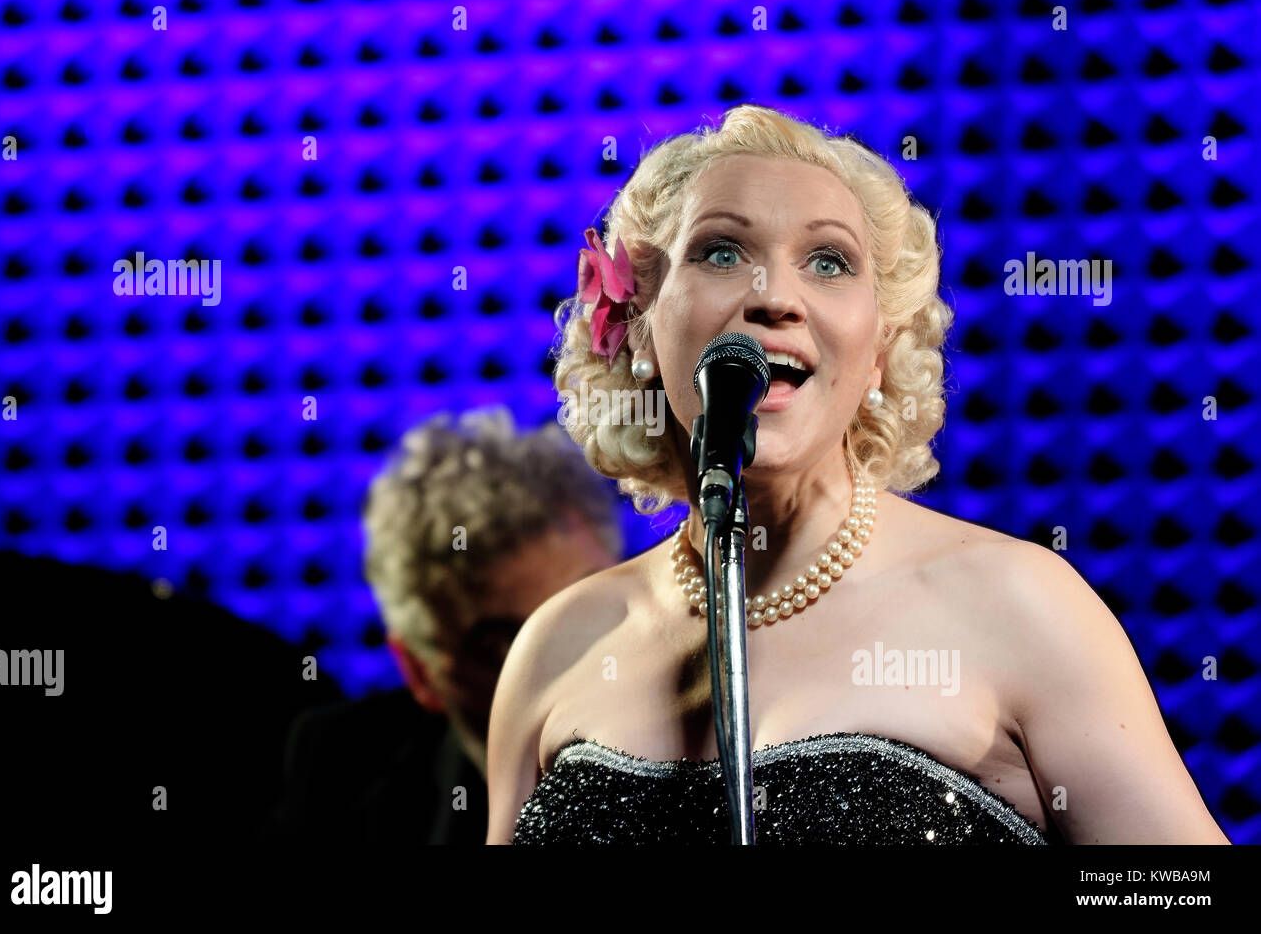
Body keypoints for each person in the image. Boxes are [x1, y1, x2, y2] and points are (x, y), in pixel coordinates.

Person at [486, 104, 1232, 845]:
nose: (774, 296)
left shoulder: (1022, 607)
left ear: (878, 350)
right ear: (640, 326)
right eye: (720, 251)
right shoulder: (559, 647)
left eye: (829, 261)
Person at [272, 408, 621, 845]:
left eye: (580, 611)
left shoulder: (715, 731)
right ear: (420, 672)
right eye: (500, 647)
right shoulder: (340, 772)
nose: (564, 665)